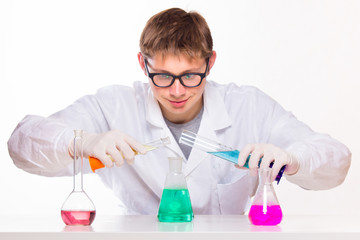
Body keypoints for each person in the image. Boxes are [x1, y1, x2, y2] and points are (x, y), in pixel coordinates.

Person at [8, 8, 351, 215]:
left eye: (190, 75)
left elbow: (336, 160)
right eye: (162, 76)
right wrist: (80, 142)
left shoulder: (249, 107)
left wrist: (291, 157)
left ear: (210, 62)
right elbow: (21, 144)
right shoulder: (112, 107)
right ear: (143, 63)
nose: (176, 90)